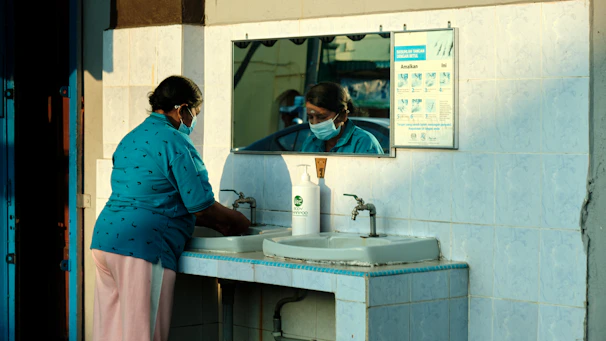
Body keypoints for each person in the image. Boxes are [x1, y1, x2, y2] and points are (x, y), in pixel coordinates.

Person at [90, 75, 250, 341]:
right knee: (143, 335)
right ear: (182, 109)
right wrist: (237, 222)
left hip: (105, 241)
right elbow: (201, 206)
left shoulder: (131, 137)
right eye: (194, 114)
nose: (193, 122)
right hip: (142, 247)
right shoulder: (175, 141)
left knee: (110, 333)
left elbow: (156, 195)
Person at [300, 82, 384, 154]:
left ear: (342, 115)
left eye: (322, 117)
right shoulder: (310, 143)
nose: (315, 123)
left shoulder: (364, 143)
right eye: (310, 117)